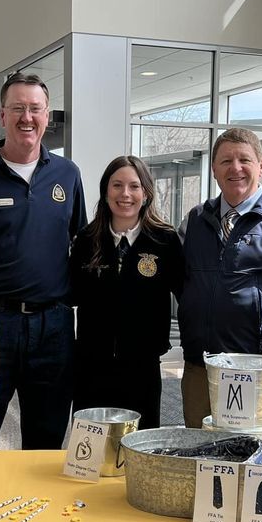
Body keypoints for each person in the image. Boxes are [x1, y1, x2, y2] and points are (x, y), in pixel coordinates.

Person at [0, 73, 87, 449]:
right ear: (2, 115)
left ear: (47, 117)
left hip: (53, 326)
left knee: (47, 439)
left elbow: (80, 241)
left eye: (35, 109)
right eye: (18, 108)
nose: (28, 117)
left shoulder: (67, 175)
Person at [176, 127, 262, 428]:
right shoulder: (195, 221)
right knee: (199, 457)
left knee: (254, 458)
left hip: (258, 372)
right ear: (213, 169)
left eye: (244, 160)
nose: (235, 168)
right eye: (225, 161)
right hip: (200, 369)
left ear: (261, 166)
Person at [69, 155, 183, 429]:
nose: (125, 194)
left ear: (146, 193)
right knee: (91, 448)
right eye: (117, 185)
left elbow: (185, 294)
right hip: (92, 363)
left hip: (141, 366)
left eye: (134, 186)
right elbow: (72, 293)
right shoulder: (87, 239)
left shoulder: (165, 240)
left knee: (139, 449)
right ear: (105, 191)